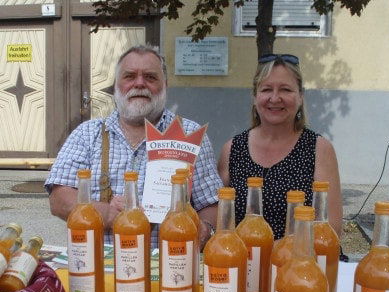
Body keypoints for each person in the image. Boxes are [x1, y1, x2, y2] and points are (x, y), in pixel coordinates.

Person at [45, 44, 222, 249]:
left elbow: (211, 203)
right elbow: (59, 200)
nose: (140, 84)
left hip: (170, 269)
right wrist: (105, 213)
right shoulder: (87, 134)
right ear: (116, 86)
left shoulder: (191, 135)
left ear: (165, 84)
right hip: (101, 269)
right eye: (129, 76)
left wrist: (205, 229)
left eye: (150, 77)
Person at [218, 54, 342, 240]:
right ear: (255, 97)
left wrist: (276, 253)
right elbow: (219, 219)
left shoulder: (319, 149)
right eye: (267, 89)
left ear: (300, 97)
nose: (275, 98)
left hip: (299, 263)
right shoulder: (232, 149)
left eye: (285, 89)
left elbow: (331, 229)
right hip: (247, 264)